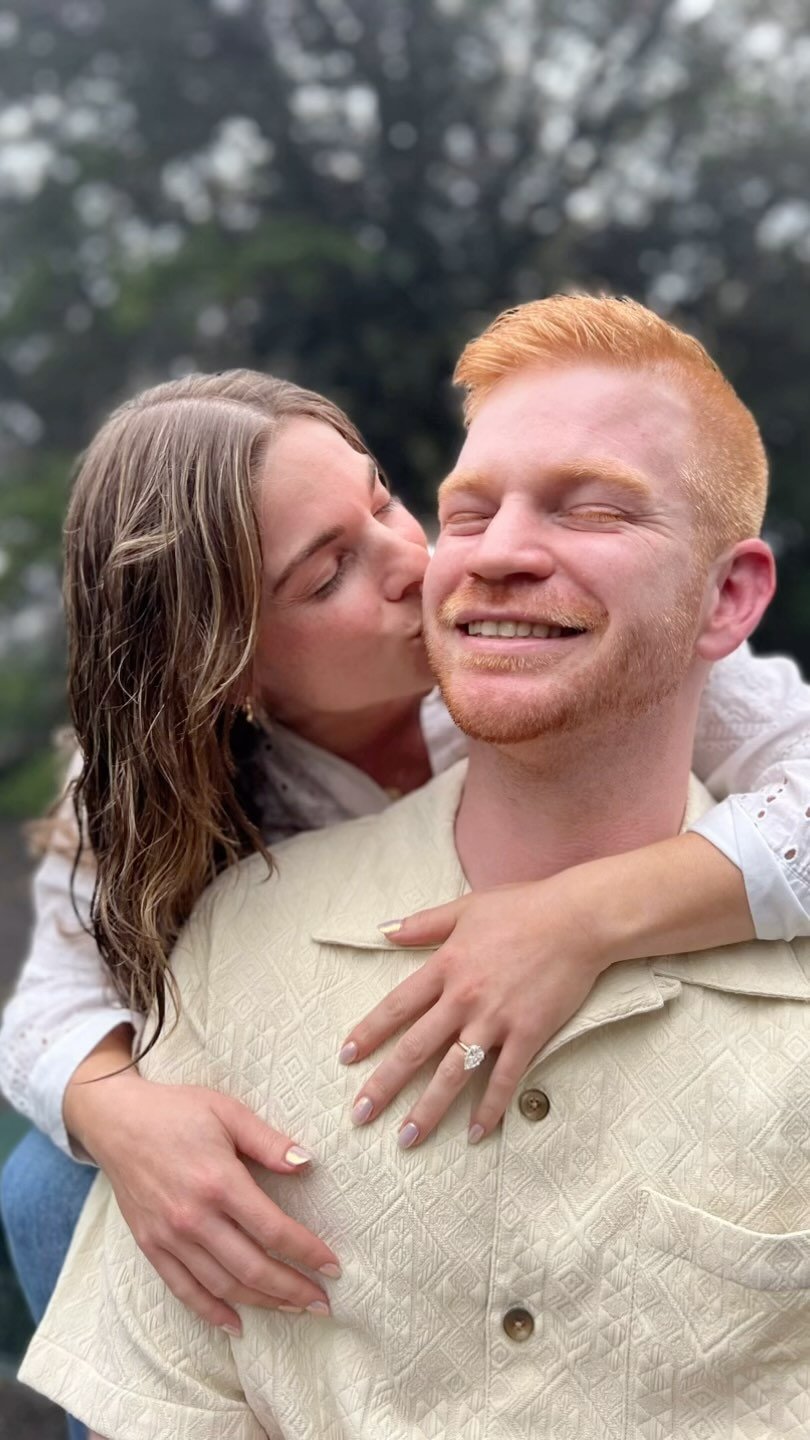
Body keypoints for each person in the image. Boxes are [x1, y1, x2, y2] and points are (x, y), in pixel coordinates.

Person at [19, 295, 810, 1438]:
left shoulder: (584, 645)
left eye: (386, 498)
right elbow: (51, 1003)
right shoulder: (148, 801)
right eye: (327, 573)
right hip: (302, 1086)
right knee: (49, 1188)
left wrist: (581, 915)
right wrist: (123, 1119)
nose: (415, 562)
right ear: (228, 669)